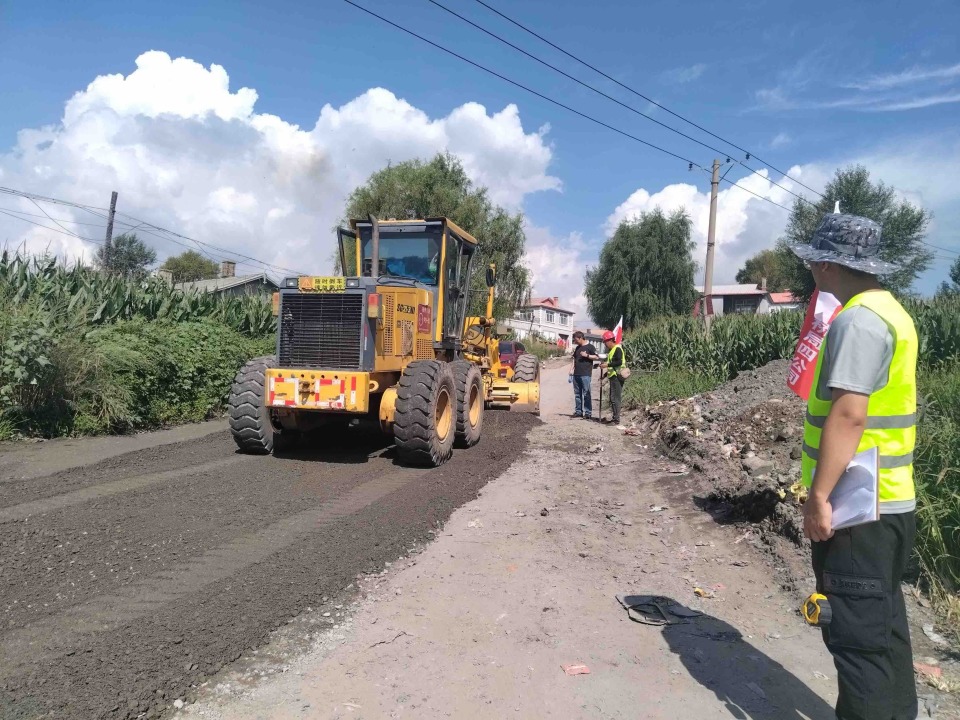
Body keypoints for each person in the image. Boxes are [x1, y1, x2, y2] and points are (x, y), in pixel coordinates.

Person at [791, 212, 919, 720]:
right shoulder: (891, 312)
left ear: (826, 264)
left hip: (858, 509)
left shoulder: (858, 320)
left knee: (857, 641)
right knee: (882, 633)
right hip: (887, 502)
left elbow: (849, 413)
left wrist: (819, 498)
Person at [600, 330, 626, 426]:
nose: (605, 345)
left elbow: (618, 362)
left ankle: (616, 420)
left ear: (610, 340)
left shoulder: (617, 349)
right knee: (613, 398)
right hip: (613, 377)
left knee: (615, 398)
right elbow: (612, 365)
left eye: (605, 342)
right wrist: (605, 375)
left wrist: (607, 364)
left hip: (617, 377)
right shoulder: (612, 350)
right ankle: (615, 418)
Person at [569, 331, 598, 419]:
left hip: (585, 374)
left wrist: (587, 355)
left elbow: (596, 356)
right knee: (577, 394)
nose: (575, 342)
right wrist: (571, 370)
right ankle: (578, 412)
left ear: (581, 338)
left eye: (576, 340)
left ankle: (588, 412)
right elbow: (574, 359)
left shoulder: (590, 347)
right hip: (576, 374)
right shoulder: (578, 348)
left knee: (586, 394)